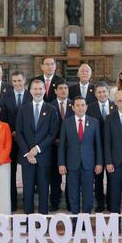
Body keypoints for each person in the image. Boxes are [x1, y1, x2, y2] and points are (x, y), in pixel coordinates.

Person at [16, 79, 59, 215]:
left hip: (43, 157)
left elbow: (52, 133)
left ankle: (43, 222)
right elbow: (19, 132)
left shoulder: (51, 110)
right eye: (35, 89)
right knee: (27, 191)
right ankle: (28, 219)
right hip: (27, 158)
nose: (38, 91)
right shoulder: (23, 110)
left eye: (40, 88)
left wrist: (37, 149)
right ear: (30, 91)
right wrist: (28, 153)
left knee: (44, 191)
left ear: (44, 90)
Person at [58, 96, 103, 215]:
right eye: (77, 105)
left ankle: (85, 220)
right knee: (73, 193)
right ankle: (76, 219)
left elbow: (98, 144)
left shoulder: (94, 122)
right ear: (73, 107)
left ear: (86, 107)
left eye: (83, 105)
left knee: (88, 193)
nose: (80, 108)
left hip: (89, 164)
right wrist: (61, 163)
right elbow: (61, 145)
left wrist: (99, 163)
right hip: (72, 164)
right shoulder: (66, 123)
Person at [0, 70, 32, 212]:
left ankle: (27, 202)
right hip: (10, 139)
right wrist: (12, 132)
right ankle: (11, 203)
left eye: (19, 80)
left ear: (24, 81)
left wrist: (22, 134)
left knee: (28, 174)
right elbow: (3, 118)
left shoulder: (32, 96)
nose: (17, 83)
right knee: (10, 173)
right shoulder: (5, 97)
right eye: (14, 81)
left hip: (27, 141)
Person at [86, 81, 116, 212]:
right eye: (99, 92)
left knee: (112, 177)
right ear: (95, 94)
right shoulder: (90, 108)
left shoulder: (115, 106)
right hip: (95, 148)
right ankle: (100, 204)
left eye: (104, 91)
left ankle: (111, 202)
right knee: (97, 178)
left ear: (108, 92)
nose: (102, 94)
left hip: (113, 149)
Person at [50, 82, 74, 211]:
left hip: (71, 148)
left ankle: (70, 204)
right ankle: (55, 203)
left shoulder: (74, 105)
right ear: (55, 91)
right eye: (60, 88)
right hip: (54, 147)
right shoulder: (50, 106)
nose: (63, 90)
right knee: (55, 178)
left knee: (71, 178)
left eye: (66, 88)